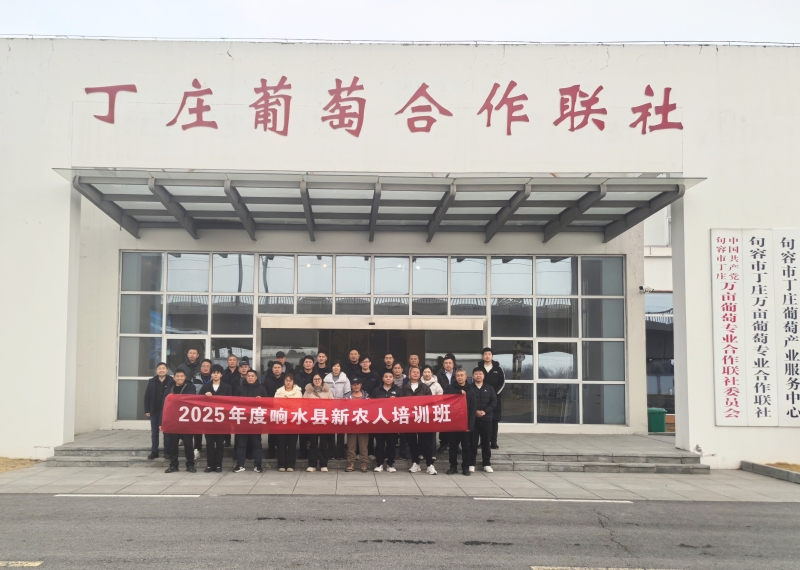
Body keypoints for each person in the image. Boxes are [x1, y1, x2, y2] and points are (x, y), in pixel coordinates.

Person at [401, 366, 436, 475]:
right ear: (409, 375)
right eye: (413, 372)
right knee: (412, 442)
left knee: (425, 442)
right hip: (409, 419)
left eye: (417, 372)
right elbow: (400, 403)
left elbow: (430, 402)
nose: (415, 374)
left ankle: (430, 464)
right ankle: (415, 463)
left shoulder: (425, 388)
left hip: (423, 418)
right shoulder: (404, 388)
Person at [161, 369, 197, 474]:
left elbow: (188, 399)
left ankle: (190, 465)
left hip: (186, 421)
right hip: (173, 421)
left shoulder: (190, 387)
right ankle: (173, 465)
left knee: (188, 444)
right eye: (178, 376)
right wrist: (161, 422)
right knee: (173, 445)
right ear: (174, 378)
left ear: (185, 377)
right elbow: (164, 407)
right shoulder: (169, 389)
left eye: (182, 376)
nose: (180, 378)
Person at [198, 364, 232, 472]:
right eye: (213, 373)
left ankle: (218, 464)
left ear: (221, 374)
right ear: (211, 374)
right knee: (209, 443)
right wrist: (205, 396)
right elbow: (198, 401)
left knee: (220, 443)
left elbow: (231, 402)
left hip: (222, 420)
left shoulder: (227, 387)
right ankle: (210, 465)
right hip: (209, 419)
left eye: (217, 373)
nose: (215, 375)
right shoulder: (205, 387)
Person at [233, 370, 267, 473]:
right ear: (245, 377)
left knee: (257, 444)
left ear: (256, 378)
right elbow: (233, 403)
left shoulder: (261, 389)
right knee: (241, 444)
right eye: (248, 376)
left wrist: (262, 400)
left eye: (252, 376)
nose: (250, 377)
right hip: (242, 420)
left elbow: (268, 404)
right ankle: (240, 464)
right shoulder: (240, 389)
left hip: (256, 420)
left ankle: (258, 465)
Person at [446, 368, 476, 476]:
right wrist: (458, 393)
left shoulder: (471, 390)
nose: (460, 377)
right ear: (455, 377)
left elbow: (473, 409)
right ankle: (453, 467)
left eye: (462, 375)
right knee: (452, 447)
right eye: (458, 375)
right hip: (453, 423)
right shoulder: (450, 388)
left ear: (466, 376)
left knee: (466, 447)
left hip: (465, 424)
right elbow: (445, 398)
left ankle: (465, 467)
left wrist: (470, 426)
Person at [304, 373, 333, 472]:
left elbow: (332, 404)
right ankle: (312, 465)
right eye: (315, 379)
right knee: (313, 443)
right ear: (312, 381)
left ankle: (323, 465)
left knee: (323, 443)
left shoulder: (328, 391)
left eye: (318, 379)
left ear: (322, 380)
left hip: (324, 420)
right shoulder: (308, 391)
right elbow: (303, 404)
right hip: (312, 420)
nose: (317, 381)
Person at [371, 371, 400, 473]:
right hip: (380, 421)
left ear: (393, 379)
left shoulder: (398, 390)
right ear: (382, 379)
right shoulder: (377, 390)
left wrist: (396, 401)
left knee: (391, 444)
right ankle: (379, 464)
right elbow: (371, 404)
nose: (388, 378)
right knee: (379, 444)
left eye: (390, 377)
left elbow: (404, 404)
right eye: (386, 376)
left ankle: (390, 464)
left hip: (392, 422)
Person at [470, 367, 497, 473]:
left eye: (480, 374)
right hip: (473, 420)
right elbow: (467, 403)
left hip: (486, 419)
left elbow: (494, 402)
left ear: (484, 376)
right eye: (476, 374)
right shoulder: (469, 388)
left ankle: (486, 463)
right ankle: (471, 463)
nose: (478, 376)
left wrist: (485, 411)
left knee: (486, 442)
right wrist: (475, 411)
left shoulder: (490, 388)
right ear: (473, 376)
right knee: (472, 442)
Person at [144, 362, 173, 460]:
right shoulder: (152, 381)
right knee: (155, 432)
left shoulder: (171, 381)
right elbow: (147, 396)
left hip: (166, 411)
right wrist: (147, 410)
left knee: (167, 432)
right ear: (156, 370)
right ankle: (154, 452)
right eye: (159, 368)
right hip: (154, 410)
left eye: (163, 368)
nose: (161, 370)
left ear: (167, 370)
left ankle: (167, 452)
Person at [274, 374, 302, 472]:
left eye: (290, 380)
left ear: (293, 381)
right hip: (282, 420)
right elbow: (276, 405)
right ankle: (281, 464)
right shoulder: (279, 392)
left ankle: (291, 465)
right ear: (284, 381)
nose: (288, 382)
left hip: (293, 420)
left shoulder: (298, 392)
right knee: (281, 444)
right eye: (286, 380)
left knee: (292, 444)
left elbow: (299, 405)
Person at [478, 347, 505, 450]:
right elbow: (476, 381)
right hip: (482, 398)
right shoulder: (479, 368)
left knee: (494, 421)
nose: (487, 356)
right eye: (485, 354)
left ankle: (493, 442)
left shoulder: (498, 369)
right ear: (482, 356)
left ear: (492, 356)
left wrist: (494, 394)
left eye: (489, 354)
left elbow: (502, 383)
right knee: (482, 421)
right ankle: (483, 442)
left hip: (495, 399)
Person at [323, 360, 351, 459]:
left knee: (340, 432)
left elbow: (348, 392)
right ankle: (330, 454)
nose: (336, 368)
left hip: (341, 408)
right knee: (330, 431)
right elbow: (324, 391)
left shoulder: (345, 379)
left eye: (338, 366)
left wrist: (345, 400)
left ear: (340, 368)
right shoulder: (326, 379)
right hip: (329, 408)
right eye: (334, 366)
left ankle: (340, 454)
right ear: (331, 367)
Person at [353, 355, 379, 459]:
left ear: (370, 363)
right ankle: (358, 452)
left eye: (367, 362)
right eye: (363, 362)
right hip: (357, 405)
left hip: (371, 404)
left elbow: (378, 389)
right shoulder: (356, 374)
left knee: (370, 428)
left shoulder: (375, 375)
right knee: (358, 428)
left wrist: (371, 398)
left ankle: (370, 452)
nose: (365, 364)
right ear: (360, 364)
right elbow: (353, 387)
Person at [189, 358, 213, 459]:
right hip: (198, 407)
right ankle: (197, 448)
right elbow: (191, 391)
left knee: (209, 430)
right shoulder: (194, 378)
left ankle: (210, 449)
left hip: (211, 408)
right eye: (204, 366)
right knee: (197, 429)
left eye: (208, 366)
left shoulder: (215, 377)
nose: (205, 368)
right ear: (200, 367)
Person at [344, 377, 369, 472]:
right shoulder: (347, 396)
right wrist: (344, 402)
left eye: (358, 384)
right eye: (354, 385)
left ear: (361, 385)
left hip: (363, 424)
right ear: (351, 386)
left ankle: (364, 463)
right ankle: (351, 463)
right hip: (351, 424)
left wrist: (370, 402)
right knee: (351, 445)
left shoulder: (366, 396)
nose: (356, 386)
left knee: (363, 445)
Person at [294, 355, 317, 459]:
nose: (308, 364)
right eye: (306, 362)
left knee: (313, 431)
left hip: (314, 407)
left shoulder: (317, 375)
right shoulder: (297, 376)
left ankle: (313, 453)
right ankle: (303, 452)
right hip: (302, 406)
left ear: (313, 364)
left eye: (310, 362)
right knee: (302, 430)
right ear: (303, 364)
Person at [263, 361, 285, 459]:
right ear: (272, 369)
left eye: (278, 368)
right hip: (271, 408)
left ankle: (281, 452)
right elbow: (265, 394)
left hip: (283, 409)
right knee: (271, 431)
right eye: (275, 368)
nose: (277, 369)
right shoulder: (267, 381)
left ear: (282, 369)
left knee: (281, 432)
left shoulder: (286, 379)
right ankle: (271, 451)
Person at [436, 355, 457, 454]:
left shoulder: (458, 373)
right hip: (443, 402)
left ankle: (455, 445)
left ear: (453, 364)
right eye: (446, 363)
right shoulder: (438, 375)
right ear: (443, 364)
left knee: (454, 423)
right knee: (443, 422)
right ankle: (443, 443)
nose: (448, 365)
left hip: (456, 401)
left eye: (450, 363)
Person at [220, 354, 240, 447]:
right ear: (227, 362)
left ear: (237, 362)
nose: (232, 361)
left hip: (238, 399)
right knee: (226, 420)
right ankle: (227, 440)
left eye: (234, 360)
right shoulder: (223, 373)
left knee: (238, 421)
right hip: (226, 399)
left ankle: (237, 441)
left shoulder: (240, 372)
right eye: (230, 360)